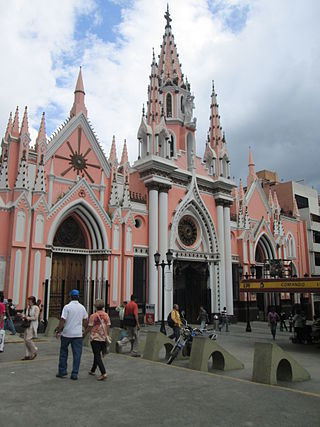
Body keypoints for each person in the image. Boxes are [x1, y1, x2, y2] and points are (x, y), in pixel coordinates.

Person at [55, 289, 88, 380]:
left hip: (67, 334)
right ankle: (74, 373)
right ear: (78, 297)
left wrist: (58, 330)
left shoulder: (67, 307)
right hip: (77, 334)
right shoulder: (82, 308)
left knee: (63, 353)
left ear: (70, 297)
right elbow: (86, 320)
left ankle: (62, 371)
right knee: (77, 354)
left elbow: (62, 320)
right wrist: (83, 329)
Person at [83, 299, 110, 381]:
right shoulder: (106, 315)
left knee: (97, 355)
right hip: (103, 337)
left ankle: (103, 372)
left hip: (95, 337)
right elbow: (108, 326)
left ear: (95, 306)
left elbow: (90, 326)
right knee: (97, 354)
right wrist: (107, 336)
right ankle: (93, 369)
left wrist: (84, 334)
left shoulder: (93, 316)